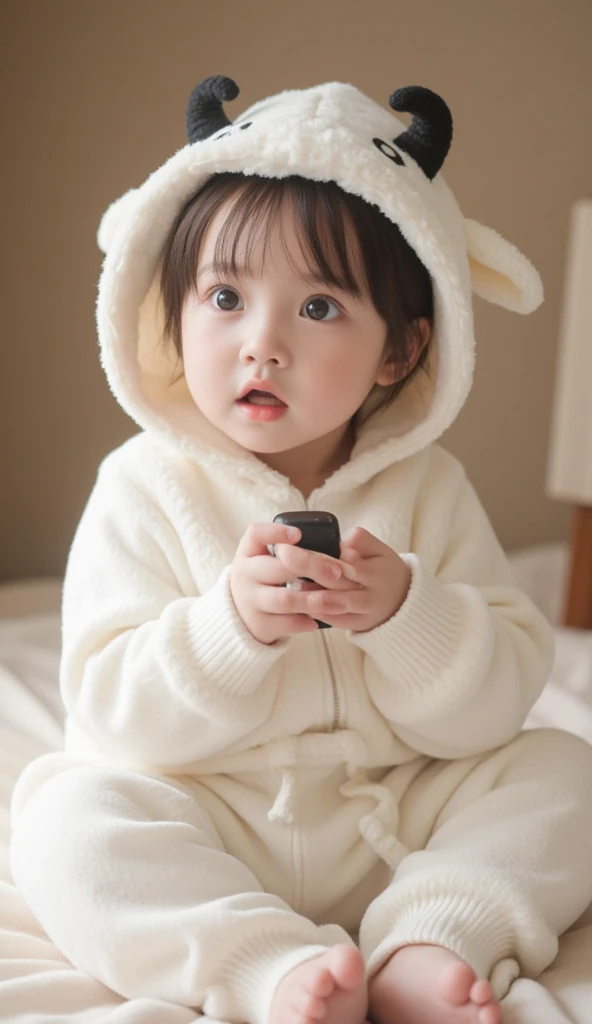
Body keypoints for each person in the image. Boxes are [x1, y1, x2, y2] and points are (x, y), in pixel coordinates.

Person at [9, 76, 592, 1024]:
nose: (262, 343)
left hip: (398, 817)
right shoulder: (142, 487)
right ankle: (269, 968)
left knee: (566, 772)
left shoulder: (429, 488)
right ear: (175, 310)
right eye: (226, 297)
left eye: (317, 309)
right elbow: (111, 713)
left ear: (398, 353)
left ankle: (429, 939)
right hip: (216, 819)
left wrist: (410, 616)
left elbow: (499, 699)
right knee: (63, 820)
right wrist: (227, 629)